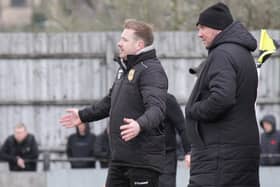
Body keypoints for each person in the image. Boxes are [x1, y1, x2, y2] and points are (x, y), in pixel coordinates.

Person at [60, 19, 168, 187]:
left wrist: (139, 125)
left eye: (125, 40)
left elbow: (157, 109)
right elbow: (109, 102)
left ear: (139, 44)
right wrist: (82, 116)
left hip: (142, 162)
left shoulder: (151, 70)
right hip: (120, 159)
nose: (119, 43)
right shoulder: (125, 68)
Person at [185, 2, 260, 187]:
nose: (199, 34)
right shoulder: (242, 53)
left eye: (203, 27)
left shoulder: (222, 54)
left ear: (218, 27)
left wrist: (193, 110)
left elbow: (222, 98)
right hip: (238, 154)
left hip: (220, 158)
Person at [159, 93, 190, 187]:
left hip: (166, 155)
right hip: (144, 156)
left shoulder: (168, 100)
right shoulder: (137, 99)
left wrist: (188, 152)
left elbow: (182, 127)